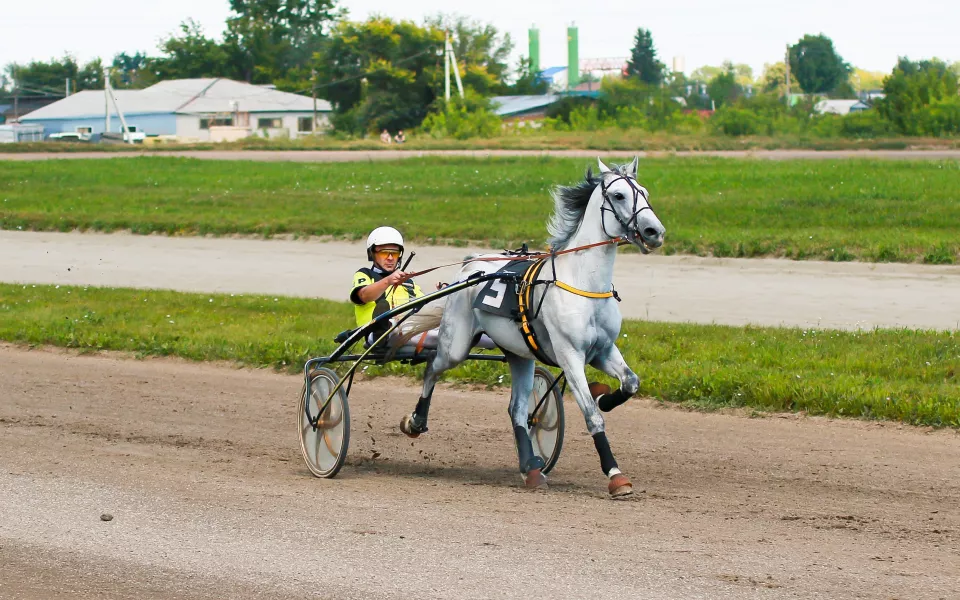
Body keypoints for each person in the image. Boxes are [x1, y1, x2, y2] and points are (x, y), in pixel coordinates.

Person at [351, 226, 423, 346]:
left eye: (394, 254)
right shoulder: (365, 274)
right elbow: (364, 296)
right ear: (372, 253)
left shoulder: (408, 283)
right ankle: (380, 330)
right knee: (391, 327)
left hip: (410, 331)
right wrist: (388, 281)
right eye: (384, 253)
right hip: (374, 334)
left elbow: (424, 306)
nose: (390, 258)